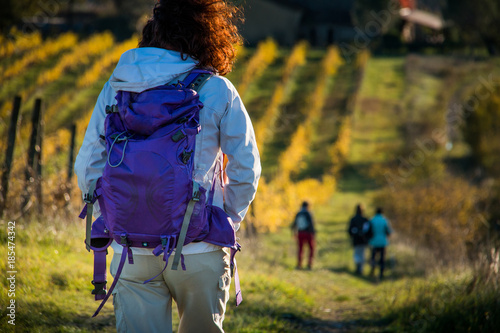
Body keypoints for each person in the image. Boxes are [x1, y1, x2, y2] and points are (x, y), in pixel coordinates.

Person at [74, 1, 261, 332]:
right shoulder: (216, 89)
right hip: (199, 246)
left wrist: (116, 214)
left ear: (151, 36)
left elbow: (89, 164)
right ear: (207, 36)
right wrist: (224, 219)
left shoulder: (116, 89)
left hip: (130, 249)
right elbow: (247, 168)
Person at [347, 204, 371, 275]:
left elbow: (350, 230)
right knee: (362, 254)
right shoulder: (365, 219)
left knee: (357, 254)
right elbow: (368, 230)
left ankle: (358, 267)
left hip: (356, 239)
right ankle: (361, 268)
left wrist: (352, 235)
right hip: (363, 240)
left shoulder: (353, 219)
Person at [369, 207, 392, 280]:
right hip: (383, 242)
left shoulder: (372, 220)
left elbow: (368, 231)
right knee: (382, 258)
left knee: (373, 257)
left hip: (374, 242)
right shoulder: (385, 220)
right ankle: (381, 273)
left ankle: (372, 270)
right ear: (382, 212)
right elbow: (389, 231)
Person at [291, 201, 315, 270]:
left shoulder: (298, 213)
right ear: (307, 206)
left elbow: (294, 224)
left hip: (300, 233)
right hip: (308, 233)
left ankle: (299, 264)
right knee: (311, 248)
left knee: (300, 249)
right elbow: (311, 224)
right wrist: (313, 233)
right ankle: (309, 264)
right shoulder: (308, 213)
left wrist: (294, 233)